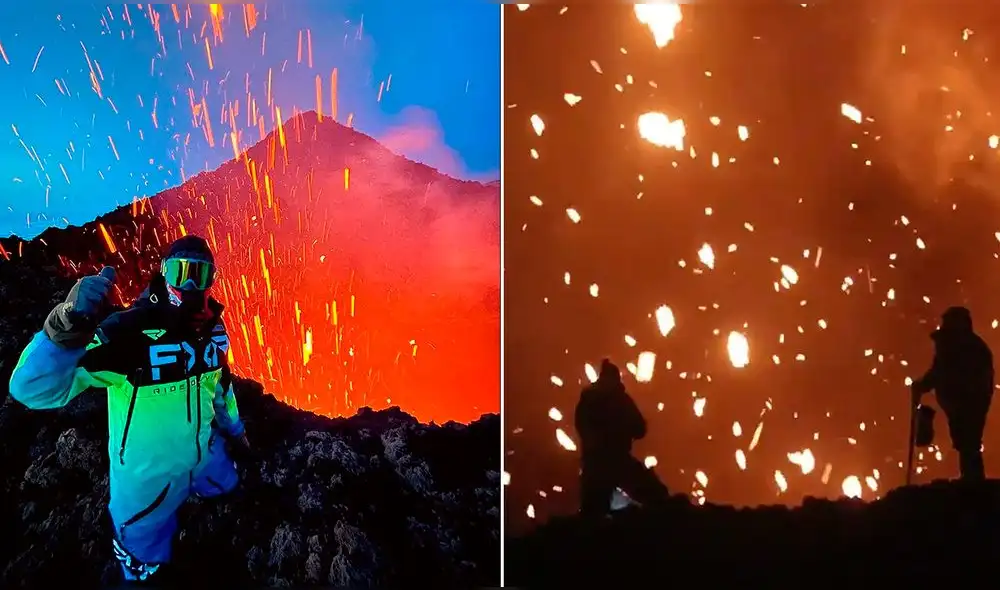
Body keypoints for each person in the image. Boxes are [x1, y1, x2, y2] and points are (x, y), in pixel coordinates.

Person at [8, 235, 250, 584]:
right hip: (146, 485)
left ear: (212, 280)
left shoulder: (214, 331)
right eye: (181, 272)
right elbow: (29, 388)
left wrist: (237, 431)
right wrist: (65, 325)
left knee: (229, 495)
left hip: (203, 459)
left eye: (200, 274)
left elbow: (221, 387)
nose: (191, 284)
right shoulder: (127, 332)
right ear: (165, 275)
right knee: (141, 568)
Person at [574, 359, 669, 516]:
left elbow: (581, 426)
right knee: (655, 495)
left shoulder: (587, 399)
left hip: (594, 461)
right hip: (617, 459)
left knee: (592, 512)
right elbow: (640, 429)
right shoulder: (620, 399)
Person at [911, 306, 994, 481]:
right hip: (960, 403)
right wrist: (923, 385)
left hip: (970, 403)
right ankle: (972, 481)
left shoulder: (970, 349)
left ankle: (973, 483)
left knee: (968, 442)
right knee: (965, 442)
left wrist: (924, 385)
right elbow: (939, 371)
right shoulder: (960, 346)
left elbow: (943, 372)